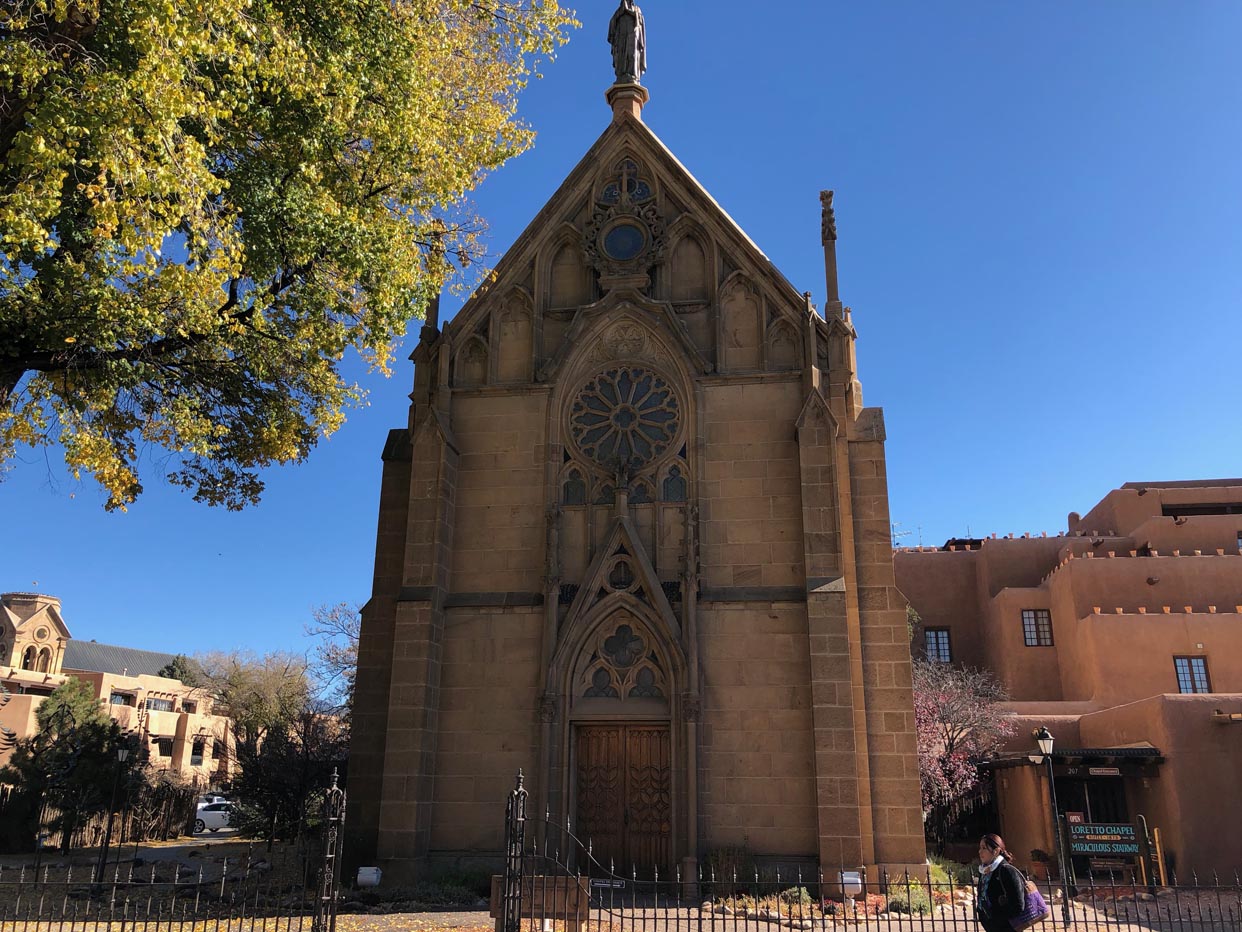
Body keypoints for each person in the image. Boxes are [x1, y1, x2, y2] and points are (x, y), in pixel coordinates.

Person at [976, 833, 1028, 932]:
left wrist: (997, 917)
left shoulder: (1006, 870)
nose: (980, 851)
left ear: (995, 851)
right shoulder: (984, 871)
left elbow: (1018, 905)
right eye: (980, 848)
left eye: (984, 848)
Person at [608, 0, 646, 84]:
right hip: (621, 37)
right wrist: (621, 11)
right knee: (621, 55)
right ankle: (621, 75)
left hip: (632, 36)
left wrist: (628, 11)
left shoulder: (636, 9)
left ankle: (633, 75)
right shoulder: (618, 12)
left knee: (632, 55)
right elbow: (612, 24)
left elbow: (639, 20)